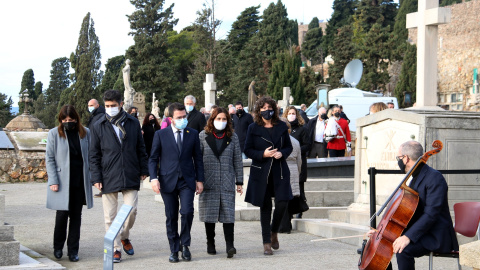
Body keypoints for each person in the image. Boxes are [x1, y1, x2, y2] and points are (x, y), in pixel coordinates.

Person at [366, 141, 458, 270]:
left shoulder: (435, 178)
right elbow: (410, 214)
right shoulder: (415, 178)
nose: (398, 161)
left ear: (406, 158)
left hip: (435, 235)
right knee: (382, 246)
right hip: (422, 232)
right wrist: (384, 234)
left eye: (398, 158)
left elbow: (431, 214)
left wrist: (408, 237)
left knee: (403, 250)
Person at [89, 90, 149, 263]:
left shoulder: (132, 122)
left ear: (120, 104)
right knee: (110, 216)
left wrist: (143, 168)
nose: (110, 109)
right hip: (108, 175)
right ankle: (115, 248)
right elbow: (93, 154)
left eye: (113, 106)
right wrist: (96, 177)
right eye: (107, 106)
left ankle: (124, 235)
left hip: (130, 172)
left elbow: (140, 147)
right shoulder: (98, 124)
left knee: (130, 211)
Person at [148, 102, 205, 263]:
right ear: (171, 119)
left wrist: (199, 180)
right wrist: (154, 179)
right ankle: (174, 249)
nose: (182, 119)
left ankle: (185, 245)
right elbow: (153, 158)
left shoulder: (192, 133)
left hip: (187, 180)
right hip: (167, 180)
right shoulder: (161, 134)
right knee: (171, 216)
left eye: (184, 116)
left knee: (187, 212)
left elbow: (198, 159)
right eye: (179, 117)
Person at [244, 97, 293, 256]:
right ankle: (266, 243)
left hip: (279, 170)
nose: (267, 110)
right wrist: (262, 154)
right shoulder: (253, 127)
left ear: (274, 109)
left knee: (282, 202)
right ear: (259, 111)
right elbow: (248, 150)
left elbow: (288, 147)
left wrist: (282, 153)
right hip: (261, 171)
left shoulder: (281, 126)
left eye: (269, 107)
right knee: (265, 207)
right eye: (263, 108)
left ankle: (274, 232)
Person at [46, 105, 93, 262]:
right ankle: (58, 247)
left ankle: (73, 250)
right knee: (61, 216)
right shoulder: (54, 133)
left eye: (71, 119)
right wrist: (53, 180)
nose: (68, 122)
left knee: (76, 217)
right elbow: (50, 158)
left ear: (76, 119)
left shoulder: (86, 133)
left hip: (80, 181)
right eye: (65, 120)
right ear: (61, 120)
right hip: (61, 182)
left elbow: (91, 156)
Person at [198, 107, 243, 258]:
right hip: (208, 180)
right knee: (209, 214)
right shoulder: (203, 136)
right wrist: (198, 179)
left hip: (226, 180)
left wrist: (239, 181)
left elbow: (237, 159)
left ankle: (230, 245)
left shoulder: (233, 137)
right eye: (218, 119)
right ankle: (210, 242)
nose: (221, 122)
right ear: (212, 120)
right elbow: (198, 160)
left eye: (224, 119)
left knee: (228, 214)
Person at [283, 106, 311, 219]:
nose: (291, 115)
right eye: (289, 113)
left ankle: (300, 209)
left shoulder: (302, 129)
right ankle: (289, 211)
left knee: (299, 188)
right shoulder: (283, 130)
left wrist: (297, 150)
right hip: (286, 164)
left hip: (298, 162)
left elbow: (307, 145)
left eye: (293, 113)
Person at [277, 119, 301, 233]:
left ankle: (283, 225)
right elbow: (299, 161)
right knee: (289, 198)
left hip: (282, 169)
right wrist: (298, 172)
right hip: (294, 170)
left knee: (281, 199)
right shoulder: (295, 142)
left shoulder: (278, 141)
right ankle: (287, 224)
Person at [87, 99, 105, 198]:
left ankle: (103, 188)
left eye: (91, 105)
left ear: (97, 105)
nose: (89, 107)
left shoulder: (100, 116)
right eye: (88, 105)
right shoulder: (96, 115)